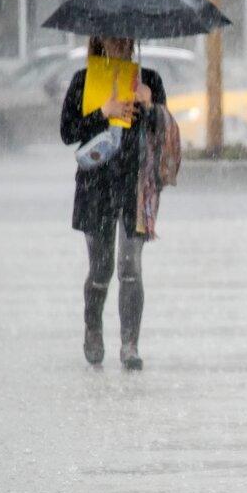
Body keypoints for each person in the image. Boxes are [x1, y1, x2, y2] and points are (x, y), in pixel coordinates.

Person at [60, 36, 180, 370]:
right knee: (101, 268)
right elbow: (67, 131)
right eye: (113, 37)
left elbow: (164, 132)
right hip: (96, 186)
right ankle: (93, 327)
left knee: (130, 267)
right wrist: (104, 113)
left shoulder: (149, 79)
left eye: (126, 38)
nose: (120, 44)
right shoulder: (83, 81)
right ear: (100, 41)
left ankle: (130, 345)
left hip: (135, 185)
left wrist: (151, 106)